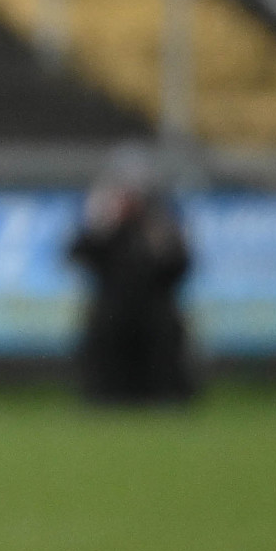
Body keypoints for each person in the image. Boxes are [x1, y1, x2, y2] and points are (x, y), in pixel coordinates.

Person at [68, 151, 196, 403]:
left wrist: (156, 240)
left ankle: (164, 395)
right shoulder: (103, 220)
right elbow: (78, 253)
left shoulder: (162, 219)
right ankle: (105, 396)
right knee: (105, 338)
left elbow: (180, 264)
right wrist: (104, 226)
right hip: (112, 306)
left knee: (163, 340)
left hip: (155, 307)